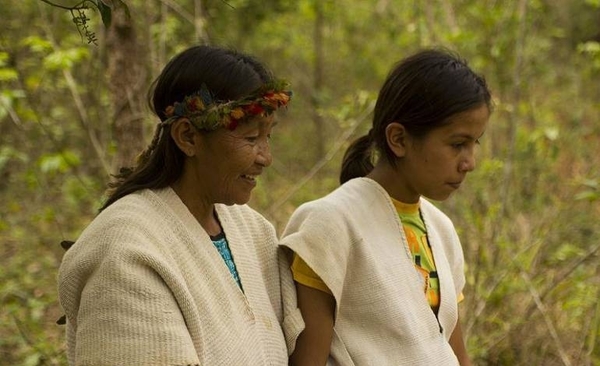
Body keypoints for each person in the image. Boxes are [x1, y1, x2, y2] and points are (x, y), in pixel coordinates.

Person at [57, 45, 297, 365]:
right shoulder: (126, 251)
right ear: (188, 137)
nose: (266, 158)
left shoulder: (255, 232)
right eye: (251, 138)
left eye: (268, 137)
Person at [280, 49, 492, 365]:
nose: (470, 163)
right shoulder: (329, 224)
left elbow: (454, 351)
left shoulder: (440, 229)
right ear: (399, 139)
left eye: (475, 143)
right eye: (457, 144)